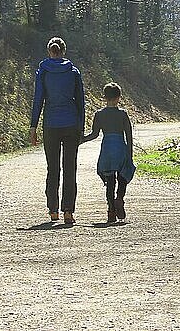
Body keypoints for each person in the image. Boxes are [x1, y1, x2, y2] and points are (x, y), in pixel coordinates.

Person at [30, 37, 85, 225]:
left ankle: (53, 210)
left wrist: (33, 126)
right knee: (70, 168)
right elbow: (80, 102)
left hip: (51, 124)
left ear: (49, 51)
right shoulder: (73, 72)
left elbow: (38, 99)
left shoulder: (43, 72)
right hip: (71, 123)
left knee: (52, 168)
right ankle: (68, 211)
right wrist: (81, 126)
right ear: (64, 51)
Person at [81, 82, 135, 223]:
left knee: (110, 181)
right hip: (120, 148)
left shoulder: (99, 115)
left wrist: (81, 140)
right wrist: (129, 155)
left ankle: (111, 210)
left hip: (107, 149)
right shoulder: (123, 114)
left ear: (104, 97)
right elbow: (129, 135)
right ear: (119, 97)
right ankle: (119, 199)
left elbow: (94, 134)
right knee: (123, 176)